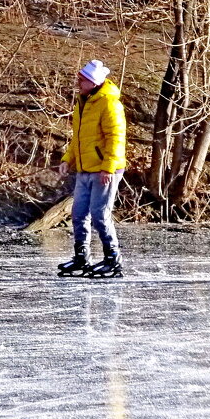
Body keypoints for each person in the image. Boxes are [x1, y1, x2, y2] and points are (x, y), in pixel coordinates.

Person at [56, 59, 127, 278]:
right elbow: (78, 139)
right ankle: (81, 257)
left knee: (99, 214)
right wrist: (68, 159)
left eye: (82, 79)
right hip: (85, 169)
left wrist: (108, 167)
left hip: (105, 170)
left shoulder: (109, 103)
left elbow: (116, 138)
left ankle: (113, 259)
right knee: (78, 214)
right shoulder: (83, 102)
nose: (78, 82)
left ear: (94, 82)